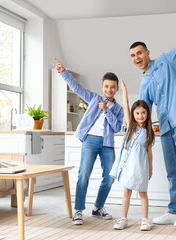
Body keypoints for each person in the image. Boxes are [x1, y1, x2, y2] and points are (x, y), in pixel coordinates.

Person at [128, 7, 176, 227]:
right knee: (172, 170)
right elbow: (143, 110)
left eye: (139, 53)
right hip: (166, 127)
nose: (137, 58)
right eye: (133, 56)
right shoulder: (144, 83)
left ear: (147, 52)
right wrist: (135, 130)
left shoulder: (167, 61)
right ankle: (175, 209)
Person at [54, 57, 124, 225]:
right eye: (106, 86)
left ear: (117, 89)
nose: (109, 89)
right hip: (90, 141)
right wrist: (64, 72)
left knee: (110, 177)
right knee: (83, 174)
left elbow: (116, 128)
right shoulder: (93, 98)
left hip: (107, 144)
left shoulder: (119, 109)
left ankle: (98, 207)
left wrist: (106, 110)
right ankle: (78, 211)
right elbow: (77, 88)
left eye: (113, 87)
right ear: (102, 87)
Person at [110, 79, 154, 231]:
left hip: (141, 167)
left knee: (143, 193)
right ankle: (123, 218)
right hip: (128, 166)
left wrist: (151, 168)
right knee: (126, 192)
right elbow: (126, 105)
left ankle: (145, 220)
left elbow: (149, 152)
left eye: (143, 113)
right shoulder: (130, 127)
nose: (140, 115)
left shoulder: (148, 132)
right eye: (137, 113)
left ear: (147, 114)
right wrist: (124, 91)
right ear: (133, 114)